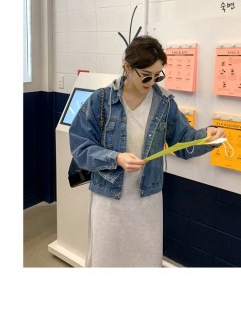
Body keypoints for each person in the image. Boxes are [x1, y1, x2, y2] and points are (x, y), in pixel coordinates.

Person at [69, 35, 225, 267]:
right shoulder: (101, 100)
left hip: (147, 199)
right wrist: (115, 158)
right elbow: (80, 146)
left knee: (144, 262)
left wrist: (207, 137)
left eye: (157, 75)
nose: (152, 82)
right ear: (127, 67)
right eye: (146, 75)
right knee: (107, 261)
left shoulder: (164, 103)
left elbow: (183, 141)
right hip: (108, 199)